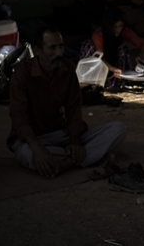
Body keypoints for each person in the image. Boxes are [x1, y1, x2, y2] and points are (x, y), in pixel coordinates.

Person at [9, 26, 126, 177]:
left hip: (62, 134)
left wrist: (75, 141)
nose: (59, 53)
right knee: (27, 154)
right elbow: (19, 118)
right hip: (34, 138)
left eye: (60, 47)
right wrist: (37, 148)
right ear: (37, 51)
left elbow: (74, 109)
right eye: (52, 48)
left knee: (118, 129)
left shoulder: (67, 68)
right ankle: (89, 157)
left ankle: (66, 163)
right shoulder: (22, 74)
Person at [80, 7, 144, 89]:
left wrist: (142, 56)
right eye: (115, 27)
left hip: (117, 66)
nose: (118, 30)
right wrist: (112, 69)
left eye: (120, 26)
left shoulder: (125, 32)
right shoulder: (99, 35)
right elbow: (100, 58)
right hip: (99, 67)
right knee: (89, 46)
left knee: (124, 45)